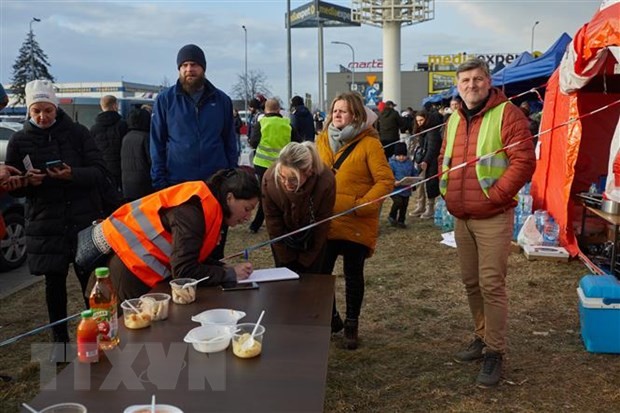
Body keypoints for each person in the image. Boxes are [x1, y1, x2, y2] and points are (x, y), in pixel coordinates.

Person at [439, 59, 535, 387]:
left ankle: (495, 350)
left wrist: (496, 195)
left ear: (488, 81)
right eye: (465, 80)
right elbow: (445, 157)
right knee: (471, 282)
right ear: (458, 84)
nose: (471, 85)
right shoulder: (453, 118)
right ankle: (482, 336)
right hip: (461, 215)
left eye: (477, 79)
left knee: (491, 284)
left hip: (492, 215)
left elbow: (524, 160)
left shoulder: (507, 114)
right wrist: (445, 189)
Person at [5, 79, 108, 361]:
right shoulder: (19, 140)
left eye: (47, 110)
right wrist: (27, 182)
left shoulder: (77, 133)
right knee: (54, 286)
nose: (42, 116)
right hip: (45, 221)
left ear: (56, 107)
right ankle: (60, 343)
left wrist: (72, 174)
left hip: (82, 218)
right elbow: (13, 182)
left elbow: (99, 172)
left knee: (92, 281)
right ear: (29, 110)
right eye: (36, 111)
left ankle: (101, 332)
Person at [83, 168, 260, 302]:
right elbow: (184, 270)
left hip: (134, 270)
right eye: (247, 209)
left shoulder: (203, 205)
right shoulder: (193, 213)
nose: (248, 217)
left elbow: (190, 255)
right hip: (129, 275)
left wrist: (223, 268)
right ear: (230, 198)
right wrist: (228, 274)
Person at [316, 91, 394, 350]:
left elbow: (385, 181)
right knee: (320, 275)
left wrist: (362, 206)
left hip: (355, 222)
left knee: (353, 275)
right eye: (335, 110)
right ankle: (332, 319)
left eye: (344, 111)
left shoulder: (370, 144)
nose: (337, 114)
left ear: (356, 115)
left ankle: (352, 324)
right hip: (326, 221)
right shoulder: (321, 141)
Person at [150, 44, 238, 190]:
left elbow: (229, 140)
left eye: (194, 64)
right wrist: (159, 181)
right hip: (177, 182)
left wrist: (232, 174)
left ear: (203, 68)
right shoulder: (165, 100)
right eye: (184, 65)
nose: (189, 69)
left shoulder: (222, 100)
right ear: (179, 69)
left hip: (215, 181)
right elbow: (157, 142)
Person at [262, 141, 335, 273]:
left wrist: (306, 259)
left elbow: (322, 223)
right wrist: (286, 258)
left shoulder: (325, 181)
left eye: (293, 179)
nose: (286, 183)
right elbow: (272, 221)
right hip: (283, 241)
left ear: (308, 171)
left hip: (313, 241)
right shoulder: (270, 180)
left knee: (312, 284)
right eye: (282, 177)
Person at [248, 98, 298, 233]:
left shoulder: (261, 123)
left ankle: (256, 225)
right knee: (282, 194)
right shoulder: (287, 124)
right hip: (282, 166)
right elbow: (297, 143)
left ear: (265, 110)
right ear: (278, 109)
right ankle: (285, 222)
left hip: (262, 165)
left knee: (265, 194)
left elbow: (253, 142)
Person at [90, 95, 128, 190]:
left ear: (102, 106)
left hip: (102, 169)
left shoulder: (94, 128)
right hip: (121, 169)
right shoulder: (123, 125)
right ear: (115, 106)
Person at [411, 109, 443, 219]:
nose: (419, 123)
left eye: (421, 120)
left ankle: (430, 208)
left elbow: (432, 148)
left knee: (430, 185)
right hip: (420, 160)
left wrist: (426, 160)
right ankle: (420, 205)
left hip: (430, 162)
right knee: (419, 184)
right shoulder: (420, 131)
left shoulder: (432, 131)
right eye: (418, 121)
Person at [121, 107, 153, 201]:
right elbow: (152, 160)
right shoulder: (146, 137)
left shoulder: (126, 137)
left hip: (127, 183)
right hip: (144, 183)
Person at [388, 142, 417, 228]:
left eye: (403, 155)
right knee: (398, 202)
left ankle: (401, 220)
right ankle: (392, 216)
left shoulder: (409, 163)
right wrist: (394, 181)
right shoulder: (391, 164)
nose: (401, 157)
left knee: (404, 205)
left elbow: (414, 173)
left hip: (406, 189)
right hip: (395, 189)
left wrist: (414, 179)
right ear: (395, 155)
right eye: (399, 155)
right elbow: (388, 176)